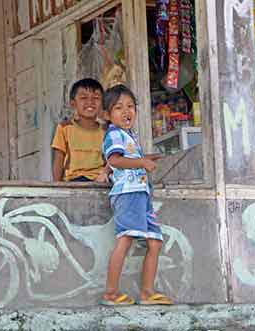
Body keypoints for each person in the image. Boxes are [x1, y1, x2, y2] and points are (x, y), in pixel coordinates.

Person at [100, 84, 172, 305]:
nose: (126, 111)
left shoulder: (127, 135)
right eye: (119, 107)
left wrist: (147, 157)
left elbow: (120, 160)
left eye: (130, 106)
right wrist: (141, 162)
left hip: (141, 196)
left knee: (155, 242)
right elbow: (114, 160)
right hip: (128, 194)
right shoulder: (113, 134)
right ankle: (111, 293)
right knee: (126, 239)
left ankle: (147, 293)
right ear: (107, 115)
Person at [51, 78, 110, 182]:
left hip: (100, 181)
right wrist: (57, 186)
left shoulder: (106, 131)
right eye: (84, 98)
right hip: (73, 181)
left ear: (102, 103)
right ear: (73, 103)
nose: (90, 102)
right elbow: (59, 159)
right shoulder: (65, 128)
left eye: (96, 98)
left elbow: (112, 159)